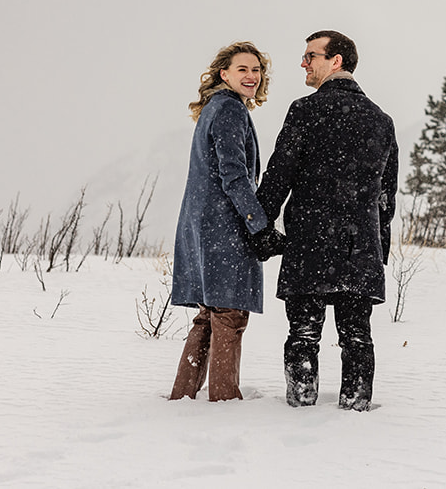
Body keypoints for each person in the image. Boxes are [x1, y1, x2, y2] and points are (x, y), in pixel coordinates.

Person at [257, 29, 398, 410]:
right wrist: (377, 252)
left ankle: (301, 407)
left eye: (311, 56)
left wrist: (258, 225)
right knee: (357, 335)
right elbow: (387, 198)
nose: (303, 62)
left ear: (336, 61)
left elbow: (278, 176)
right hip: (359, 247)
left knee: (303, 335)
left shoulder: (305, 111)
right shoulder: (382, 121)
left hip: (310, 243)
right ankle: (356, 407)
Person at [168, 42, 284, 402]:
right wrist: (259, 225)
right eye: (243, 70)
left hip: (201, 224)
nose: (251, 76)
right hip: (223, 227)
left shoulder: (213, 108)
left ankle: (184, 396)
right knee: (229, 315)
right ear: (224, 73)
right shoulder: (230, 110)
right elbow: (234, 175)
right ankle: (224, 401)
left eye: (256, 70)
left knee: (209, 314)